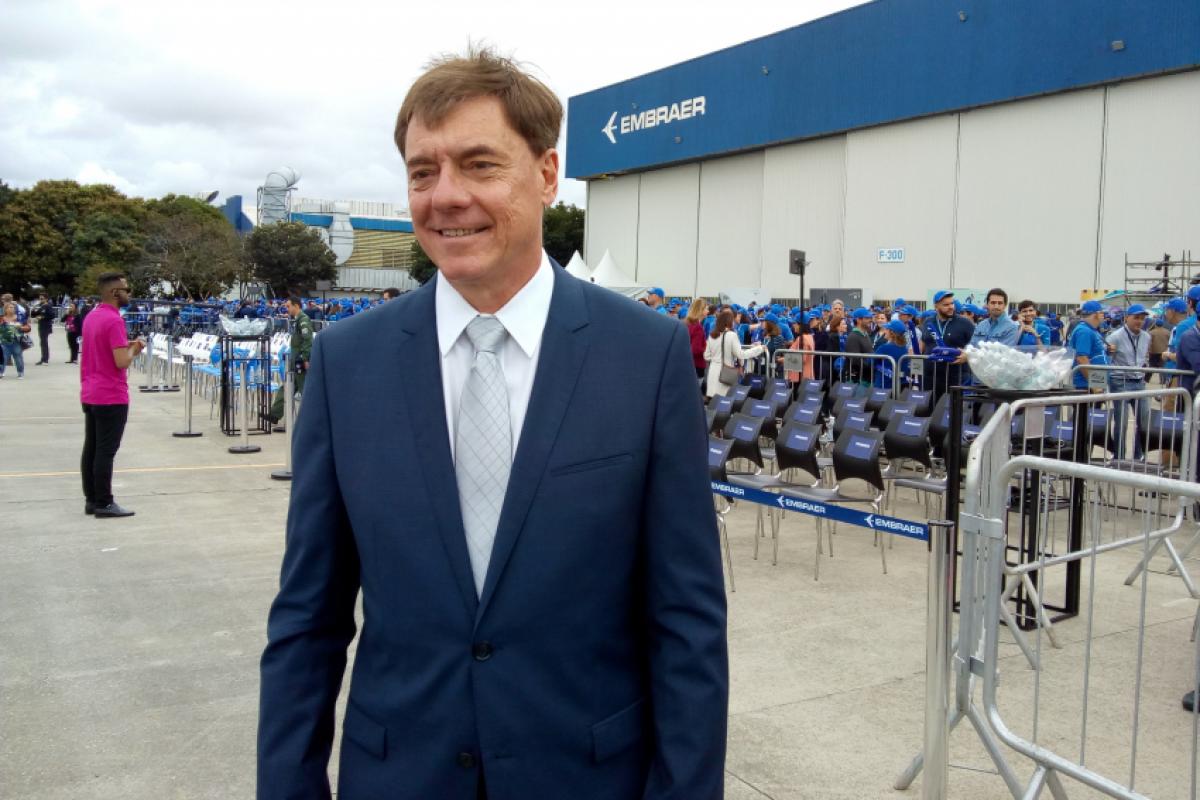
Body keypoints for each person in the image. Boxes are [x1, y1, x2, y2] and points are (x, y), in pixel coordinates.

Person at [258, 48, 728, 800]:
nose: (445, 196)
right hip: (399, 779)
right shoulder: (348, 364)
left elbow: (687, 624)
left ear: (546, 174)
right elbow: (308, 620)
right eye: (423, 172)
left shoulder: (647, 356)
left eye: (479, 165)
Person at [80, 272, 144, 517]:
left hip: (90, 391)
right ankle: (104, 502)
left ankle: (92, 499)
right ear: (114, 292)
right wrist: (135, 349)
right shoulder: (114, 320)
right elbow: (121, 361)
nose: (129, 294)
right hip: (110, 394)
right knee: (106, 451)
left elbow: (103, 349)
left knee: (92, 448)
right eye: (126, 289)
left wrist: (125, 345)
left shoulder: (92, 316)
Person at [1106, 304, 1151, 459]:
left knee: (1143, 422)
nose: (1139, 321)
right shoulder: (1115, 336)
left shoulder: (1146, 337)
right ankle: (1119, 456)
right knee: (1122, 422)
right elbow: (1107, 358)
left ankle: (1139, 456)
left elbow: (1143, 357)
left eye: (1142, 318)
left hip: (1139, 381)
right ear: (1127, 318)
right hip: (1120, 382)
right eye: (1136, 318)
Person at [268, 296, 313, 429]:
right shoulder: (297, 320)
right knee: (287, 387)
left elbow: (308, 340)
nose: (287, 309)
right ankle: (274, 414)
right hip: (295, 361)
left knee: (305, 391)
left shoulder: (303, 320)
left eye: (288, 306)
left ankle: (311, 420)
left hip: (300, 361)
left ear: (296, 306)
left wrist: (305, 358)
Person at [920, 290, 975, 398]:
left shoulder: (965, 323)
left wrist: (968, 354)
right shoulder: (928, 322)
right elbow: (923, 342)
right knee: (929, 406)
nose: (951, 307)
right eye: (946, 305)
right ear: (936, 306)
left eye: (952, 303)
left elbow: (975, 345)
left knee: (953, 406)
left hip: (956, 377)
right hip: (930, 377)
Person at [706, 307, 765, 397]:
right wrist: (759, 349)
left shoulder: (712, 334)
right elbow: (741, 354)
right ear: (730, 321)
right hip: (726, 372)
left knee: (714, 400)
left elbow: (707, 355)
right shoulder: (731, 335)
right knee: (726, 399)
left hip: (713, 371)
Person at [1068, 300, 1109, 391]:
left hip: (1095, 381)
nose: (1103, 316)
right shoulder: (1084, 331)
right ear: (1096, 314)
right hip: (1085, 385)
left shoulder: (1091, 330)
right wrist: (1094, 384)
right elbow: (1082, 358)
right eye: (1102, 313)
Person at [844, 307, 875, 388]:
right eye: (867, 318)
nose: (870, 320)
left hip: (866, 379)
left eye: (870, 318)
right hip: (857, 381)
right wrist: (872, 366)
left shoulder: (865, 335)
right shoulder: (853, 337)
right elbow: (855, 360)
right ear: (858, 320)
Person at [873, 320, 908, 390]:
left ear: (892, 332)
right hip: (899, 386)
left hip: (883, 386)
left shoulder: (885, 348)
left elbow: (870, 361)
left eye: (887, 329)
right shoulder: (904, 348)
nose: (884, 331)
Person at [0, 303, 31, 379]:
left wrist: (21, 327)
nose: (12, 309)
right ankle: (1, 372)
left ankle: (20, 373)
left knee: (18, 358)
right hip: (4, 342)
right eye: (10, 307)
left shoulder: (20, 318)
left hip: (16, 341)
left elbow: (28, 328)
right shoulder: (2, 318)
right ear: (5, 309)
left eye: (13, 307)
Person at [684, 297, 707, 387]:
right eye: (706, 309)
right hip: (697, 365)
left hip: (687, 364)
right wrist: (707, 349)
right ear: (700, 310)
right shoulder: (697, 327)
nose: (708, 311)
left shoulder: (686, 324)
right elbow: (695, 350)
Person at [32, 293, 56, 365]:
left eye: (42, 298)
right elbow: (34, 315)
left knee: (44, 342)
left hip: (46, 326)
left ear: (46, 299)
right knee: (42, 343)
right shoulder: (41, 306)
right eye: (40, 298)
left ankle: (45, 359)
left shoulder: (48, 306)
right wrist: (33, 309)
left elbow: (52, 315)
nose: (40, 300)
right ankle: (43, 358)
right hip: (41, 326)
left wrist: (43, 317)